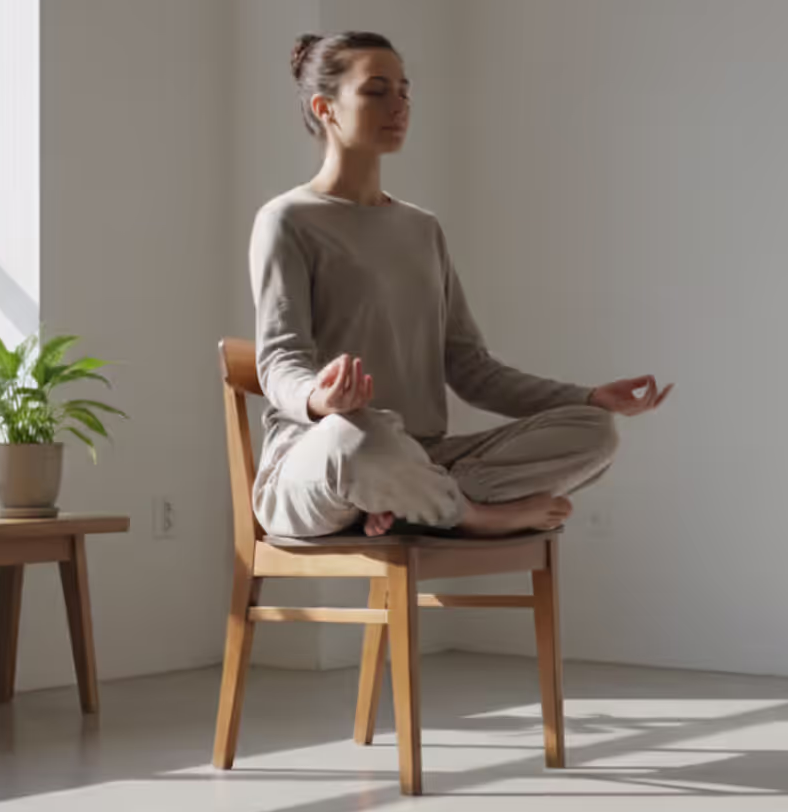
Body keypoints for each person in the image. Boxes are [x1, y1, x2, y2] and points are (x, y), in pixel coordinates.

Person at [248, 31, 670, 539]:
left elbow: (472, 370)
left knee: (594, 434)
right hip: (318, 459)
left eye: (404, 91)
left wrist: (588, 397)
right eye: (376, 90)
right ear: (326, 108)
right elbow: (279, 361)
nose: (398, 104)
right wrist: (320, 398)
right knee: (360, 437)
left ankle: (409, 501)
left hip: (422, 457)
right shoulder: (287, 220)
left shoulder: (421, 230)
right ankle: (468, 515)